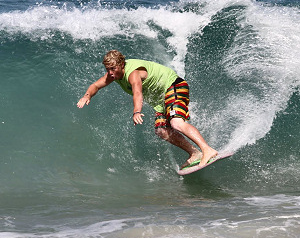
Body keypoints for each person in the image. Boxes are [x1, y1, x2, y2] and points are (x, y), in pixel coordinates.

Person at [77, 50, 218, 169]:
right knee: (162, 131)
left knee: (176, 123)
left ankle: (207, 149)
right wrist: (87, 96)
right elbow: (95, 85)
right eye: (108, 69)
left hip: (173, 86)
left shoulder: (133, 73)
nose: (110, 73)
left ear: (121, 64)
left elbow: (138, 93)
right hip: (162, 100)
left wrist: (136, 111)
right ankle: (195, 153)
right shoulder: (113, 75)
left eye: (113, 69)